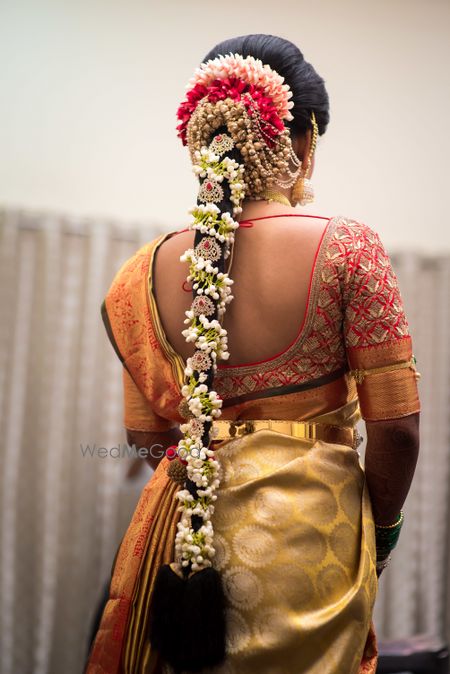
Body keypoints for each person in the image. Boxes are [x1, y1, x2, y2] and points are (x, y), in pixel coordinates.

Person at [86, 34, 421, 674]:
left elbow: (144, 436)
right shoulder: (351, 249)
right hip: (310, 542)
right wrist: (378, 538)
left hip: (183, 546)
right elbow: (397, 430)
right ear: (303, 141)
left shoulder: (139, 274)